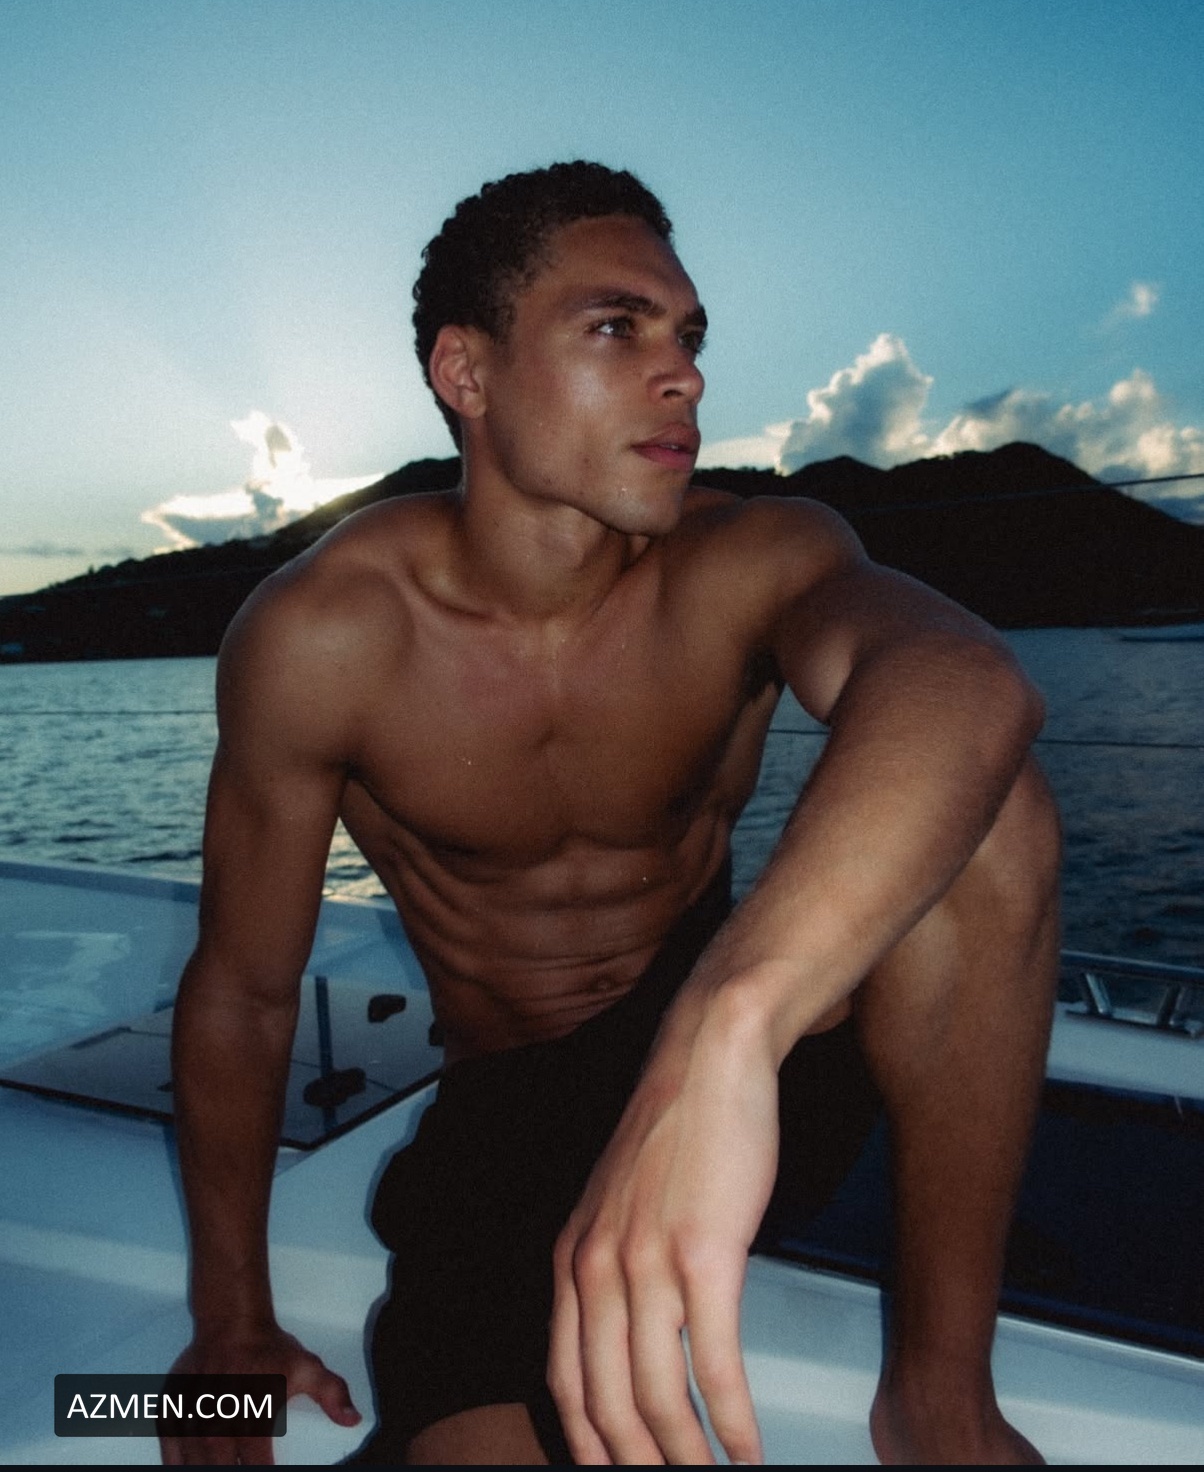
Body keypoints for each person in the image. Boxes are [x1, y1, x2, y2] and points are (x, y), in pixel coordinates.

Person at [162, 162, 1060, 1466]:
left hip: (756, 1071)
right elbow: (246, 994)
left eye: (688, 335)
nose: (681, 372)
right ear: (466, 373)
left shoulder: (748, 560)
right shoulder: (327, 638)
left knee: (985, 802)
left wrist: (722, 1031)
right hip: (522, 1130)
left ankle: (940, 1399)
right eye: (615, 327)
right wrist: (231, 1321)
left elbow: (964, 680)